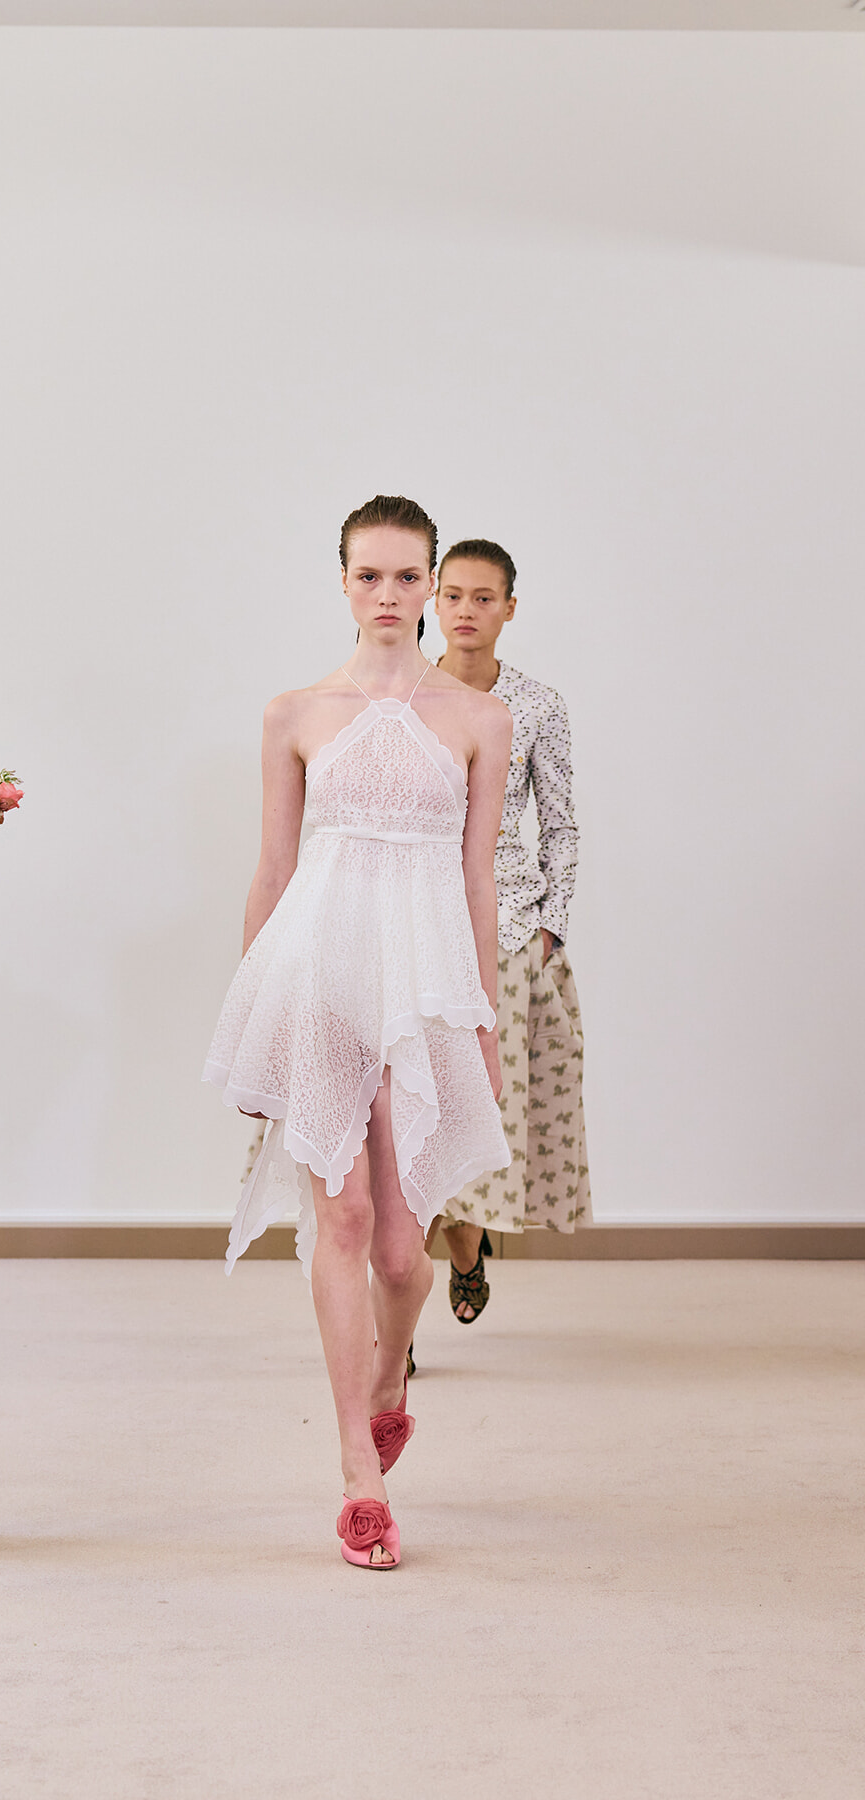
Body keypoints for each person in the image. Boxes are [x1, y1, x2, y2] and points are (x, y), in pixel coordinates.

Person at [204, 496, 512, 1569]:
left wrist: (484, 1025)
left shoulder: (479, 721)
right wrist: (253, 1016)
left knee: (400, 1253)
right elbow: (273, 870)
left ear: (431, 584)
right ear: (342, 583)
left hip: (422, 989)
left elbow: (478, 885)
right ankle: (357, 1471)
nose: (389, 595)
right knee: (340, 1219)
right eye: (369, 576)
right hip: (319, 977)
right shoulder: (295, 713)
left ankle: (390, 1377)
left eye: (407, 576)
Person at [430, 539, 591, 1326]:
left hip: (508, 928)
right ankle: (394, 1337)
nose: (466, 611)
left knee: (478, 1116)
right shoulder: (402, 692)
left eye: (483, 597)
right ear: (434, 602)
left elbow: (559, 823)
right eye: (453, 595)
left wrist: (550, 928)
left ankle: (466, 1249)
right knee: (407, 1120)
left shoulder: (537, 705)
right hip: (413, 919)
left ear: (509, 608)